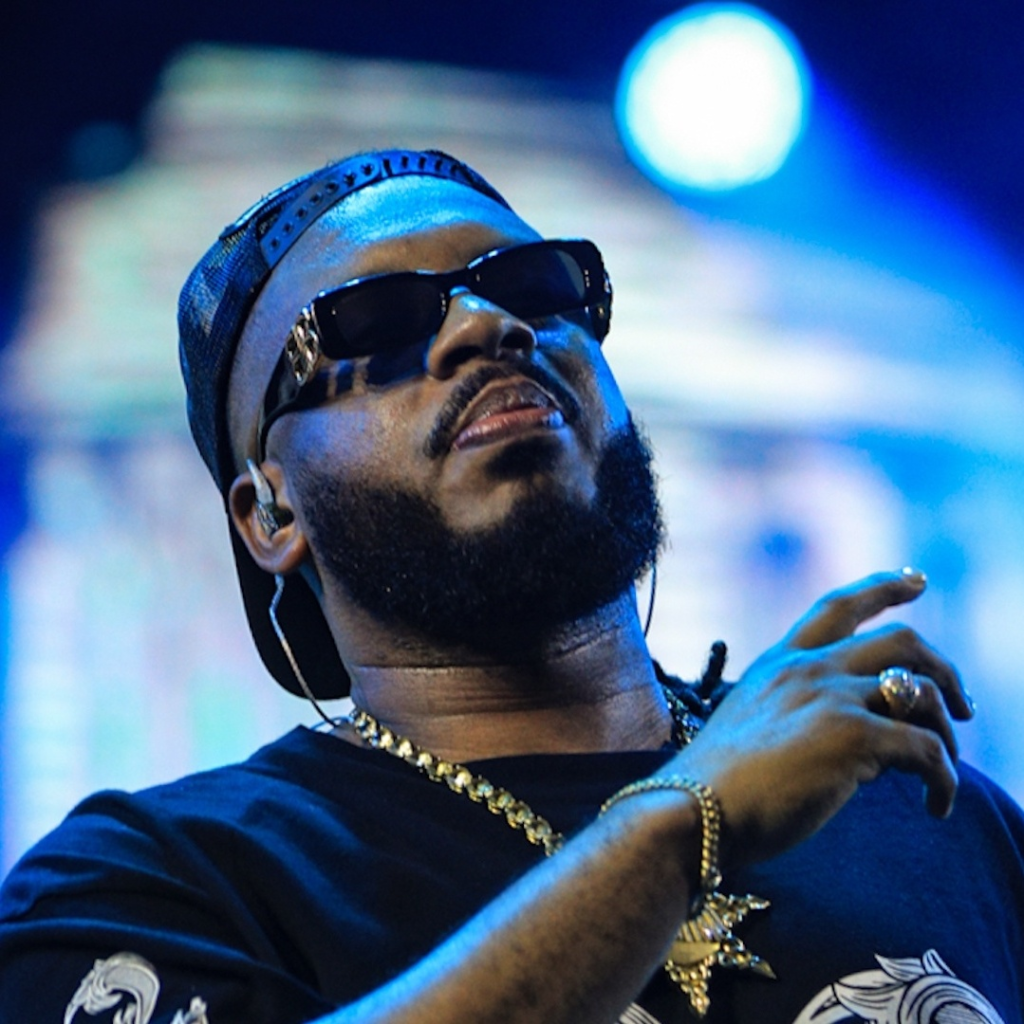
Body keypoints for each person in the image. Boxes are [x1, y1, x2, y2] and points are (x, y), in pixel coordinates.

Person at [1, 148, 1021, 1024]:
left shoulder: (929, 812)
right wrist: (682, 821)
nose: (487, 326)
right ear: (270, 514)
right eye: (377, 320)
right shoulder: (152, 881)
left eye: (534, 286)